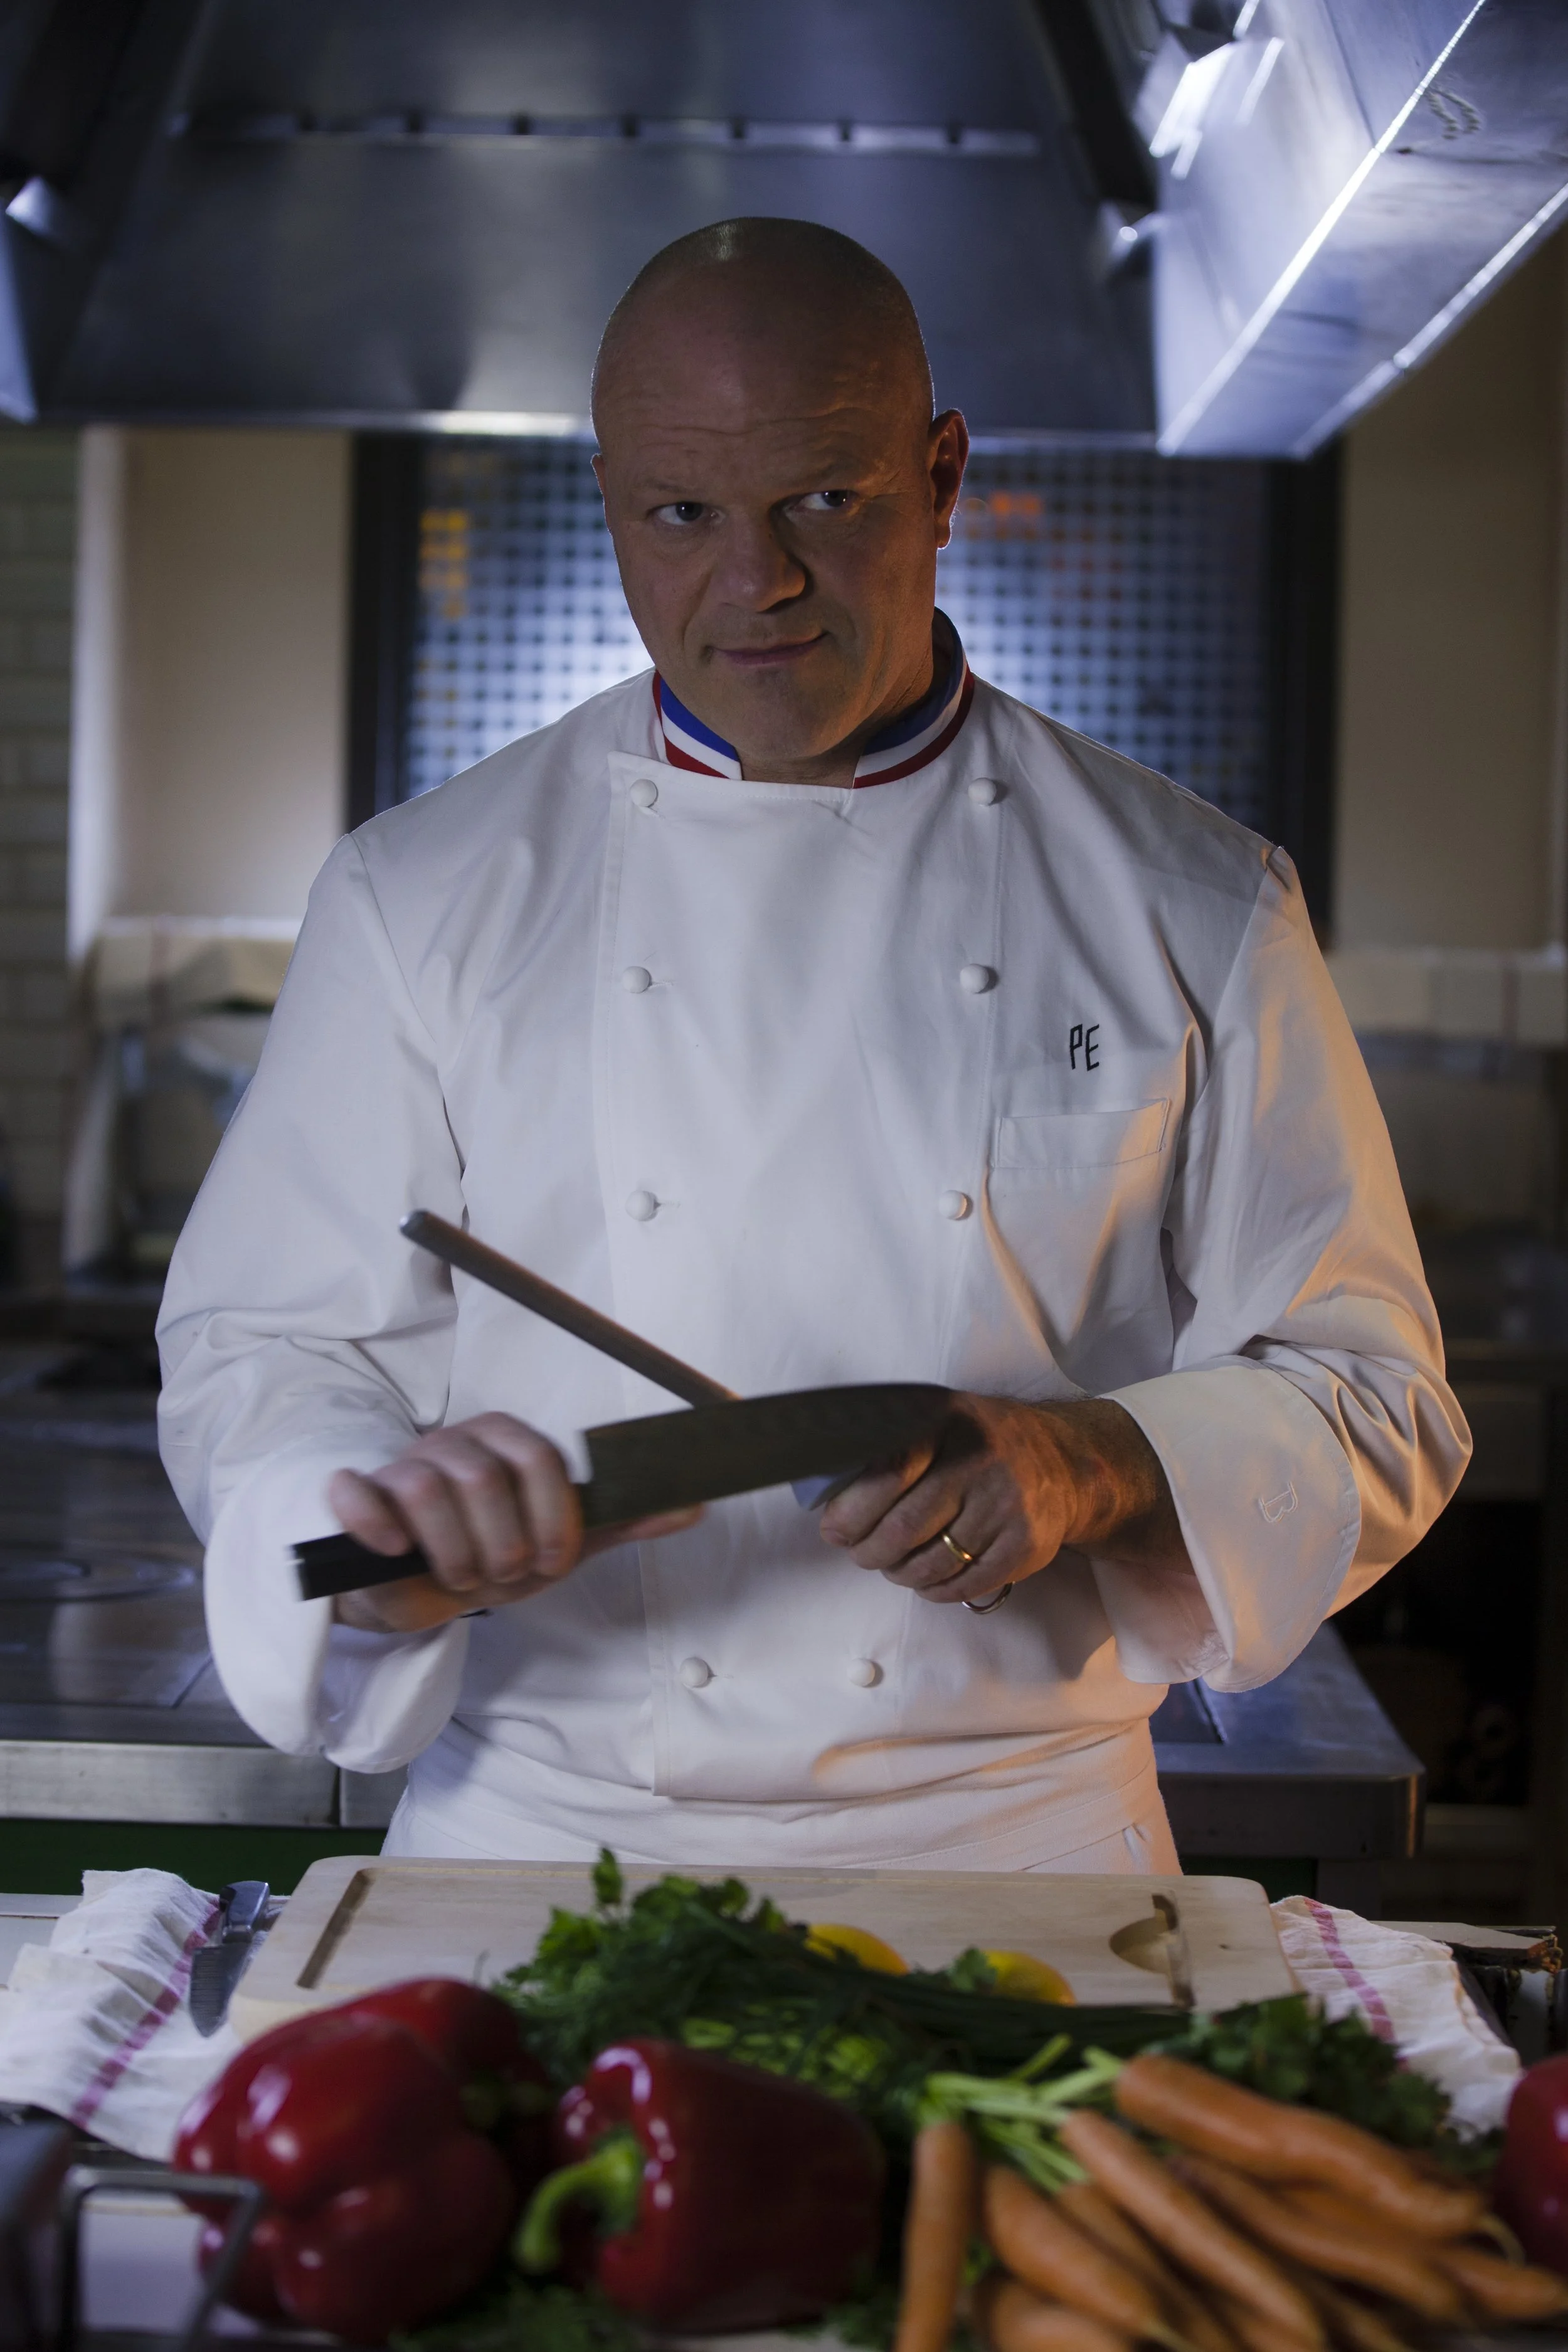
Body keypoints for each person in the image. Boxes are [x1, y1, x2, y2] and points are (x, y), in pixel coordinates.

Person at [157, 218, 1469, 1872]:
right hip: (544, 1840)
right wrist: (374, 1519)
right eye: (682, 515)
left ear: (940, 474)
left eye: (824, 503)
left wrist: (1103, 1458)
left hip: (1018, 1843)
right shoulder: (420, 896)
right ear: (612, 505)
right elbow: (259, 1363)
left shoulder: (1191, 898)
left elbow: (1377, 1397)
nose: (754, 581)